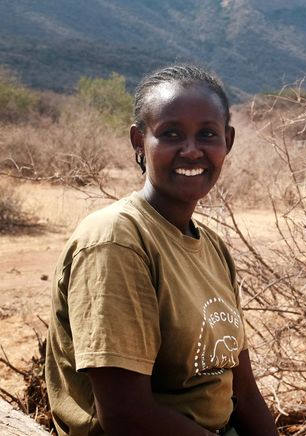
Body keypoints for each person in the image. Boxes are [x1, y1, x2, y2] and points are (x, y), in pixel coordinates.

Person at [45, 64, 278, 435]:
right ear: (140, 141)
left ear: (227, 142)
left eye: (207, 134)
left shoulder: (212, 248)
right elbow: (126, 415)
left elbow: (244, 395)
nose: (191, 151)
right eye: (170, 134)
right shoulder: (117, 240)